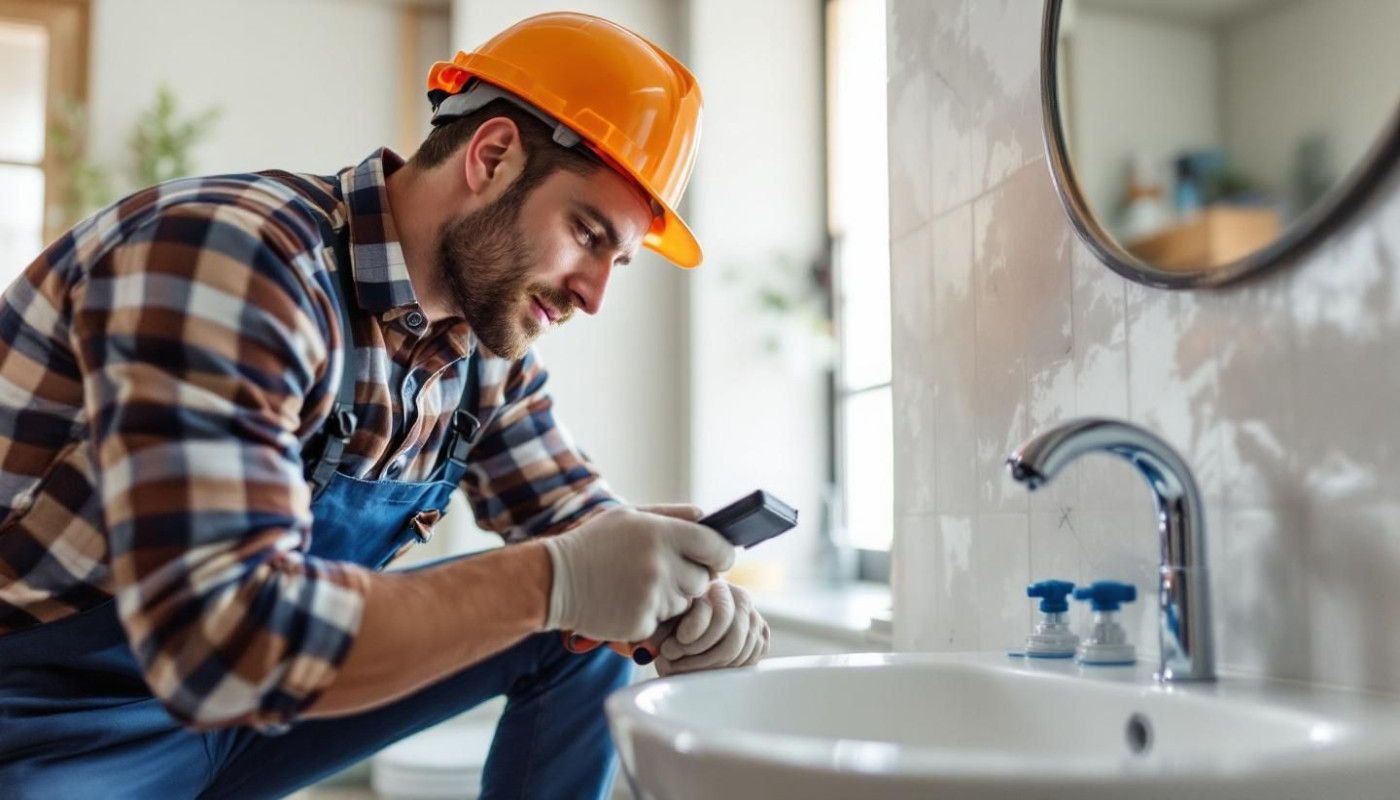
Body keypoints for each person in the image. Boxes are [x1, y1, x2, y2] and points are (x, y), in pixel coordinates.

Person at [0, 12, 770, 799]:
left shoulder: (480, 347)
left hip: (243, 716)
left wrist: (677, 599)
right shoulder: (232, 258)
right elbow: (218, 641)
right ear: (493, 156)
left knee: (594, 634)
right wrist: (564, 579)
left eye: (618, 260)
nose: (594, 293)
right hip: (46, 723)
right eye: (586, 232)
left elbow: (584, 533)